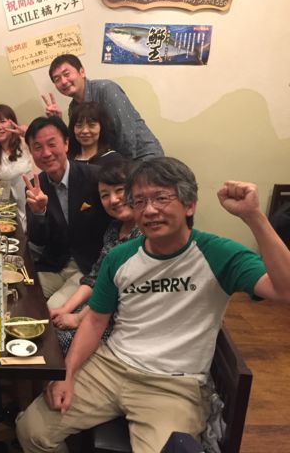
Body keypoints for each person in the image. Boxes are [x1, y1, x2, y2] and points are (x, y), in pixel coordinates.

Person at [17, 157, 290, 453]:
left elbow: (284, 290)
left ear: (189, 205)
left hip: (173, 384)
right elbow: (95, 321)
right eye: (140, 201)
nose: (149, 210)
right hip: (110, 365)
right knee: (31, 431)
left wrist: (254, 217)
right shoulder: (119, 257)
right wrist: (67, 375)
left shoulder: (217, 253)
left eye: (161, 198)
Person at [48, 160, 141, 356]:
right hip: (99, 306)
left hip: (120, 318)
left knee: (58, 341)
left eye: (120, 190)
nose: (113, 200)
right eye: (105, 195)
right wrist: (65, 308)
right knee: (50, 323)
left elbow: (115, 292)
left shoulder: (144, 234)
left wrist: (78, 318)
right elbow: (95, 277)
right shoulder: (114, 229)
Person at [22, 116, 111, 309]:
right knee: (20, 295)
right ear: (31, 152)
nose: (46, 153)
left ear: (67, 144)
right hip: (54, 265)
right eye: (37, 147)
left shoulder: (95, 177)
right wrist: (39, 212)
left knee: (51, 310)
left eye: (52, 144)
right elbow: (37, 240)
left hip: (88, 267)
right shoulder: (36, 186)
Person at [43, 54, 164, 161]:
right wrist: (58, 122)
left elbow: (126, 133)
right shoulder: (73, 108)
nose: (63, 81)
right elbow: (78, 143)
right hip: (114, 162)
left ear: (82, 72)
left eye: (66, 74)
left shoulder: (106, 89)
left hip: (143, 156)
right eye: (57, 79)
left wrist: (123, 169)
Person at [67, 101, 123, 166]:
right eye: (79, 125)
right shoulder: (67, 160)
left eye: (91, 125)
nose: (85, 131)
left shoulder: (113, 159)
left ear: (102, 127)